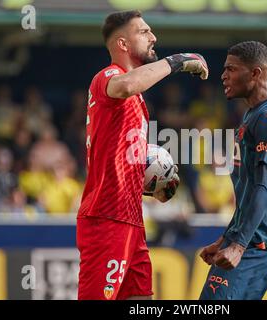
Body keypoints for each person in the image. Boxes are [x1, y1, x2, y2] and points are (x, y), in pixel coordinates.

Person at [76, 10, 209, 300]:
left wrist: (152, 182)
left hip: (131, 219)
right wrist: (177, 62)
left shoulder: (136, 99)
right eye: (145, 32)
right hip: (107, 218)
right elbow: (126, 85)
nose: (153, 37)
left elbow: (121, 156)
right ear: (123, 44)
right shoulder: (109, 76)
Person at [199, 41, 267, 300]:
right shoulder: (254, 115)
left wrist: (239, 245)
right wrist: (227, 238)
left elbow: (264, 187)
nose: (223, 75)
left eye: (231, 69)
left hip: (258, 241)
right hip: (250, 237)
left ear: (256, 74)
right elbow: (248, 193)